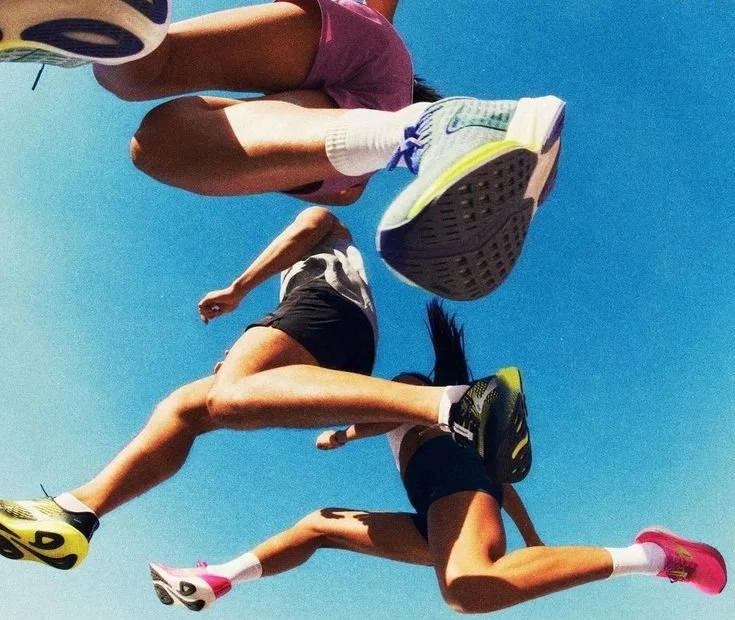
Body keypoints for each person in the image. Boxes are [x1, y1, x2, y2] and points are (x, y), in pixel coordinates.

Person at [0, 0, 565, 299]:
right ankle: (435, 129)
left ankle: (94, 26)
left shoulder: (385, 35)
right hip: (369, 96)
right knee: (177, 149)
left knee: (153, 97)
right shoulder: (365, 139)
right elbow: (299, 176)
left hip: (359, 38)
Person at [0, 210, 531, 574]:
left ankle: (457, 404)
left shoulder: (325, 224)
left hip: (323, 307)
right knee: (187, 407)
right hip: (336, 328)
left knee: (225, 397)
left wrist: (238, 290)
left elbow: (305, 230)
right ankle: (78, 511)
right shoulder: (338, 287)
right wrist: (271, 366)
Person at [148, 301, 728, 613]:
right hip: (439, 504)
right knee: (320, 525)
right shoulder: (441, 415)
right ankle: (220, 577)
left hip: (453, 481)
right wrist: (532, 542)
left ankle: (657, 555)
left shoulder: (410, 387)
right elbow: (502, 484)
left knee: (467, 590)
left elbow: (397, 418)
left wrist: (347, 434)